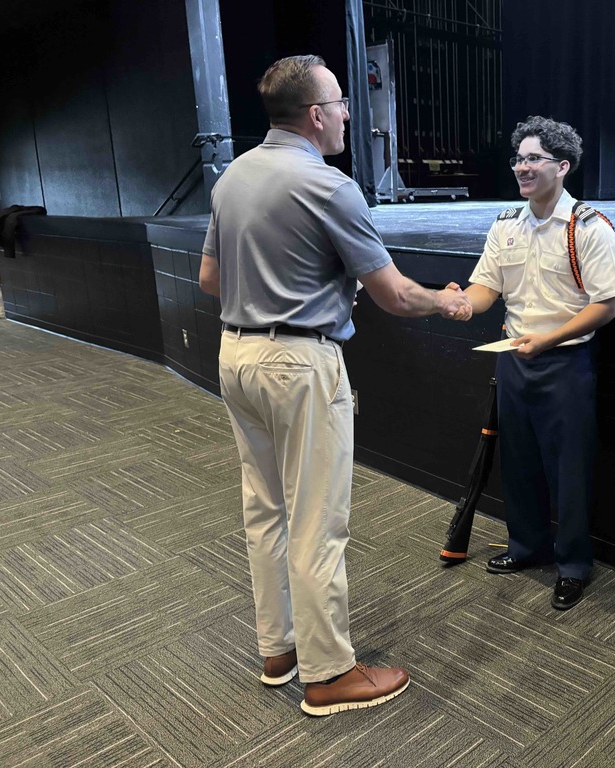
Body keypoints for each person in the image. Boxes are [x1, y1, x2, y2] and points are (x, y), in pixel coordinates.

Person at [198, 54, 470, 717]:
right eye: (343, 102)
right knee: (318, 519)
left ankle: (279, 649)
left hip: (236, 354)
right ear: (317, 115)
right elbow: (397, 296)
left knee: (264, 509)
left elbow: (209, 280)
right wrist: (449, 302)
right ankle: (328, 675)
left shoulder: (232, 176)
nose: (350, 112)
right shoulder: (329, 186)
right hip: (299, 363)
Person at [461, 116, 615, 610]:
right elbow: (487, 288)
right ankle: (527, 547)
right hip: (514, 359)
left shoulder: (589, 228)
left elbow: (606, 305)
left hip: (566, 363)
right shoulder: (506, 224)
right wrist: (461, 303)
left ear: (563, 166)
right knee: (521, 461)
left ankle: (573, 564)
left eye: (534, 158)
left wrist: (549, 339)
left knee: (568, 469)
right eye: (519, 159)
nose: (522, 167)